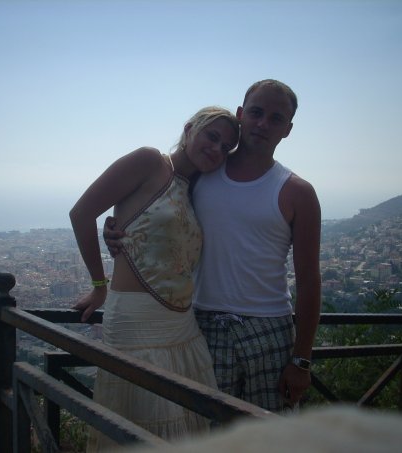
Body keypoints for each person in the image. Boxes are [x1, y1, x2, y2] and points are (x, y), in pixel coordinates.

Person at [104, 79, 322, 414]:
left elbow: (309, 280)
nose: (263, 123)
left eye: (276, 118)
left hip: (269, 328)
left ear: (288, 129)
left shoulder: (298, 193)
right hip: (202, 325)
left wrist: (301, 361)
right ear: (241, 114)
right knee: (206, 430)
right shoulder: (202, 174)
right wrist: (118, 226)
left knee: (270, 433)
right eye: (256, 112)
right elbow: (158, 208)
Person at [70, 106, 240, 449]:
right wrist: (99, 286)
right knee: (143, 430)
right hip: (136, 322)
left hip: (183, 326)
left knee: (185, 428)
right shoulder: (149, 161)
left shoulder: (195, 189)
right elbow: (82, 213)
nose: (217, 149)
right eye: (212, 136)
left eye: (226, 147)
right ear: (189, 129)